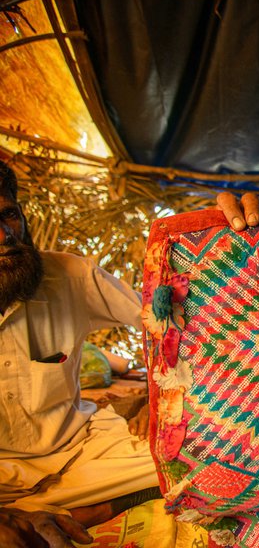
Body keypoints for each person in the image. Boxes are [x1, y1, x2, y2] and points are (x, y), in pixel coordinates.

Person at [0, 161, 159, 547]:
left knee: (199, 447)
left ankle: (87, 511)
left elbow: (165, 324)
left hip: (84, 450)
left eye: (8, 215)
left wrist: (155, 396)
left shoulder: (69, 275)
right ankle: (83, 511)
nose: (4, 235)